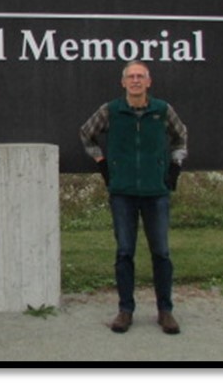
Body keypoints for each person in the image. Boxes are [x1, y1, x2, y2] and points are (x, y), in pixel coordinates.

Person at [79, 60, 188, 335]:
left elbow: (181, 137)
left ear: (149, 82)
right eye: (132, 76)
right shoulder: (111, 111)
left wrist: (174, 166)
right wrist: (102, 163)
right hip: (123, 193)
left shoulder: (162, 111)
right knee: (125, 251)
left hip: (156, 192)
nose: (136, 81)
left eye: (141, 76)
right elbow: (86, 134)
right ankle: (125, 310)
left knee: (161, 252)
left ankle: (165, 311)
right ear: (123, 82)